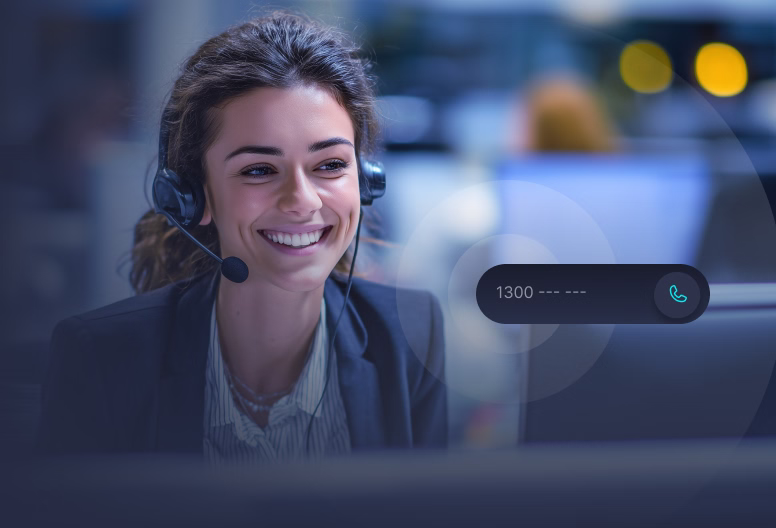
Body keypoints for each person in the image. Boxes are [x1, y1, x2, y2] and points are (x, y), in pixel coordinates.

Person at [36, 11, 447, 462]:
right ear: (194, 196)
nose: (302, 200)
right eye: (258, 170)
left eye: (330, 165)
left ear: (366, 182)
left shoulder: (411, 332)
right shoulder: (101, 358)